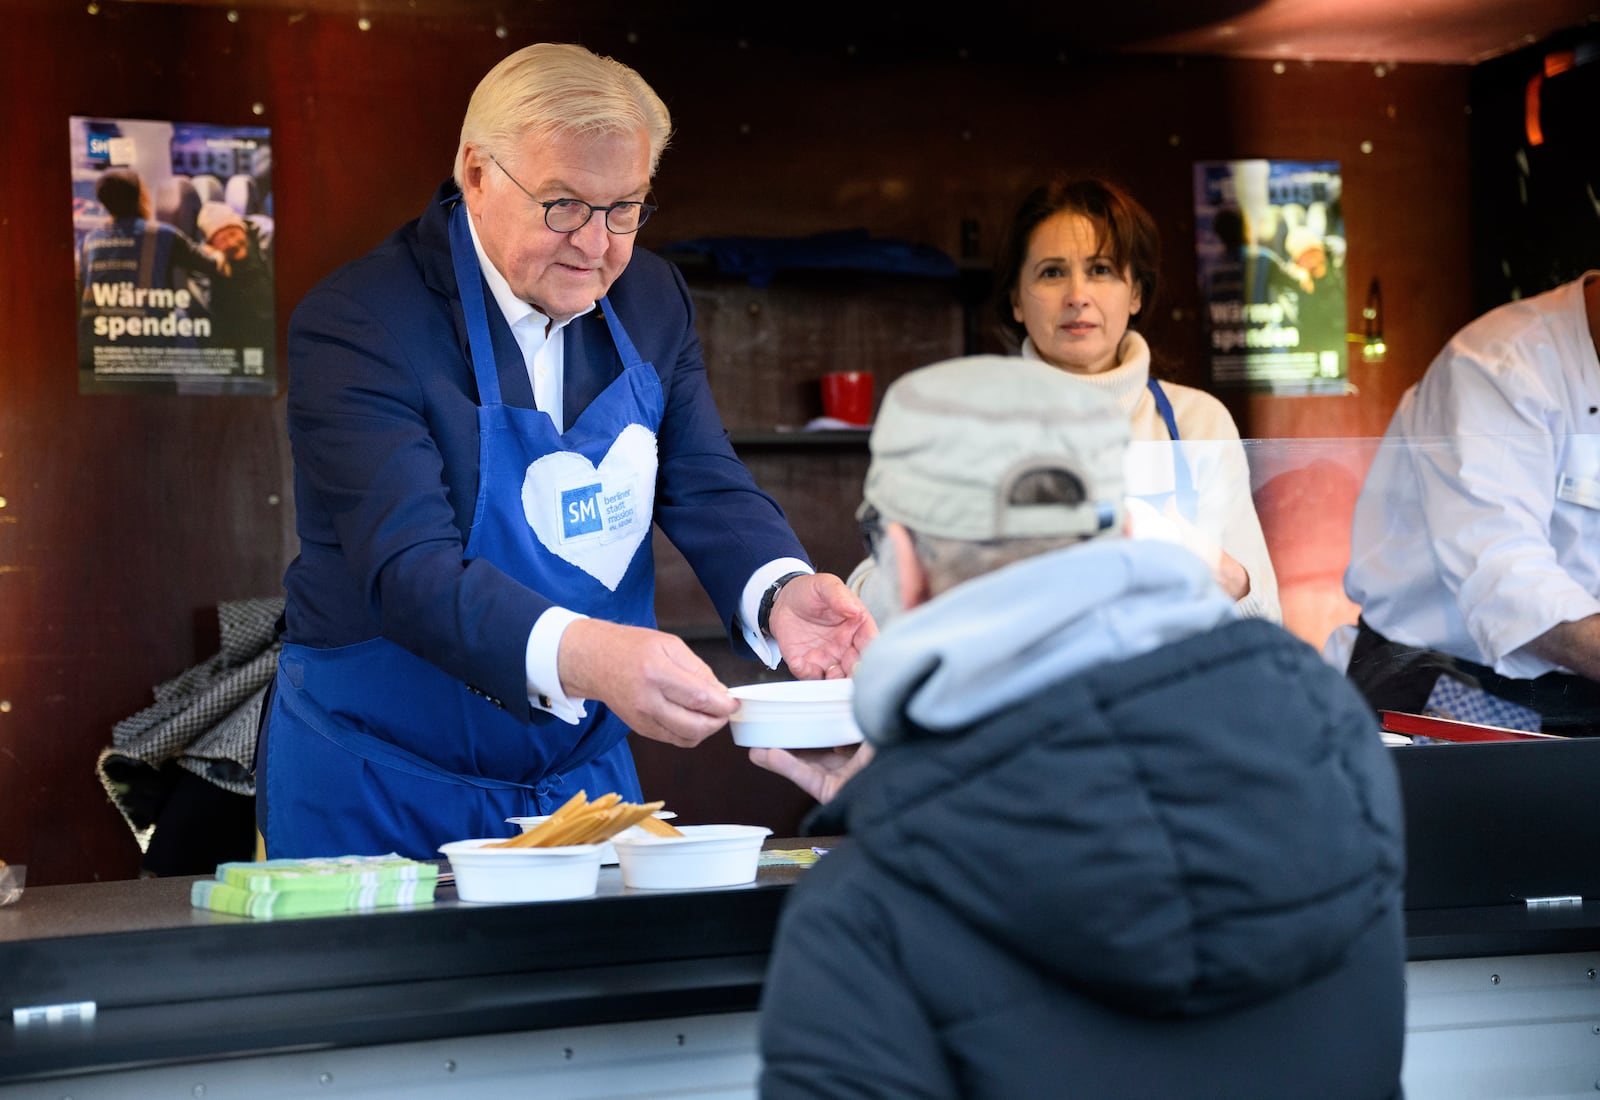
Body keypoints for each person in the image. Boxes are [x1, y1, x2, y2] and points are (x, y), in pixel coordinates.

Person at [256, 42, 874, 860]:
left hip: (578, 788)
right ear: (477, 175)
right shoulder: (364, 321)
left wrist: (779, 592)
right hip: (383, 783)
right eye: (565, 205)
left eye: (627, 208)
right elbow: (407, 572)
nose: (597, 244)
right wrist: (587, 655)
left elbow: (701, 477)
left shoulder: (651, 296)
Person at [753, 355, 1406, 1099]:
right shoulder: (1338, 772)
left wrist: (900, 803)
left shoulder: (860, 922)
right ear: (1130, 528)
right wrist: (908, 787)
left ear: (904, 563)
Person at [998, 175, 1281, 620]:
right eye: (1052, 272)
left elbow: (1265, 620)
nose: (1077, 297)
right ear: (1016, 299)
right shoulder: (967, 427)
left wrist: (1218, 574)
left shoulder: (1197, 422)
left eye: (1101, 270)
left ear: (1135, 293)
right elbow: (882, 589)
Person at [1342, 271, 1600, 735]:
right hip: (1444, 680)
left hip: (1578, 683)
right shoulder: (1500, 362)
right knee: (1524, 799)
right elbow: (1504, 575)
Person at [195, 200, 275, 352]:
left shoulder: (267, 243)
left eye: (233, 234)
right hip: (240, 338)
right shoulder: (206, 263)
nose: (231, 243)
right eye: (222, 240)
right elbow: (210, 308)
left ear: (243, 229)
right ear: (212, 245)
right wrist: (216, 268)